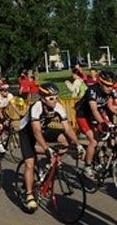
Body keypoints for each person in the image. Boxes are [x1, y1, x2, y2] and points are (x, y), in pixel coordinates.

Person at [18, 82, 84, 213]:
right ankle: (29, 194)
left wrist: (78, 144)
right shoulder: (36, 107)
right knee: (30, 163)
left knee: (65, 141)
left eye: (56, 97)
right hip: (27, 132)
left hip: (43, 128)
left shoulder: (58, 106)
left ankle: (50, 165)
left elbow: (67, 128)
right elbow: (36, 132)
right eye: (51, 98)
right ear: (43, 98)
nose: (55, 101)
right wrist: (47, 148)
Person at [74, 70, 117, 179]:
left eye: (112, 86)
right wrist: (102, 123)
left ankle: (106, 162)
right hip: (84, 116)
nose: (110, 88)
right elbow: (94, 109)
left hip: (98, 113)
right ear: (100, 83)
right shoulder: (92, 90)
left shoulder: (112, 90)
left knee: (112, 136)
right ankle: (87, 166)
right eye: (107, 86)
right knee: (94, 141)